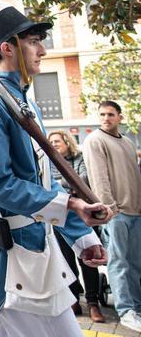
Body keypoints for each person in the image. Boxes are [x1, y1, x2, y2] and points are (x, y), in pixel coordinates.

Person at [0, 4, 110, 335]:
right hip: (14, 266)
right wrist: (72, 205)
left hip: (39, 254)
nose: (42, 50)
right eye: (33, 41)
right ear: (7, 48)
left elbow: (44, 185)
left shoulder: (25, 104)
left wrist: (80, 236)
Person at [83, 100, 141, 332]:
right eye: (102, 114)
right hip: (116, 213)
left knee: (136, 263)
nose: (106, 118)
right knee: (119, 262)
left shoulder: (127, 142)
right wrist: (110, 210)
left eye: (110, 114)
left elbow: (134, 177)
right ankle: (126, 311)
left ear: (120, 117)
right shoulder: (95, 140)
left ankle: (136, 307)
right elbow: (99, 178)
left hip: (136, 211)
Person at [48, 130, 106, 322]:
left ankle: (92, 303)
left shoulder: (79, 158)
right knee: (66, 260)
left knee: (88, 261)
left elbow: (83, 180)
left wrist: (62, 188)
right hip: (59, 217)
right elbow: (48, 186)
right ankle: (74, 300)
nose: (54, 144)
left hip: (82, 216)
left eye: (57, 141)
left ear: (67, 142)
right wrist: (68, 188)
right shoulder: (49, 162)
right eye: (51, 142)